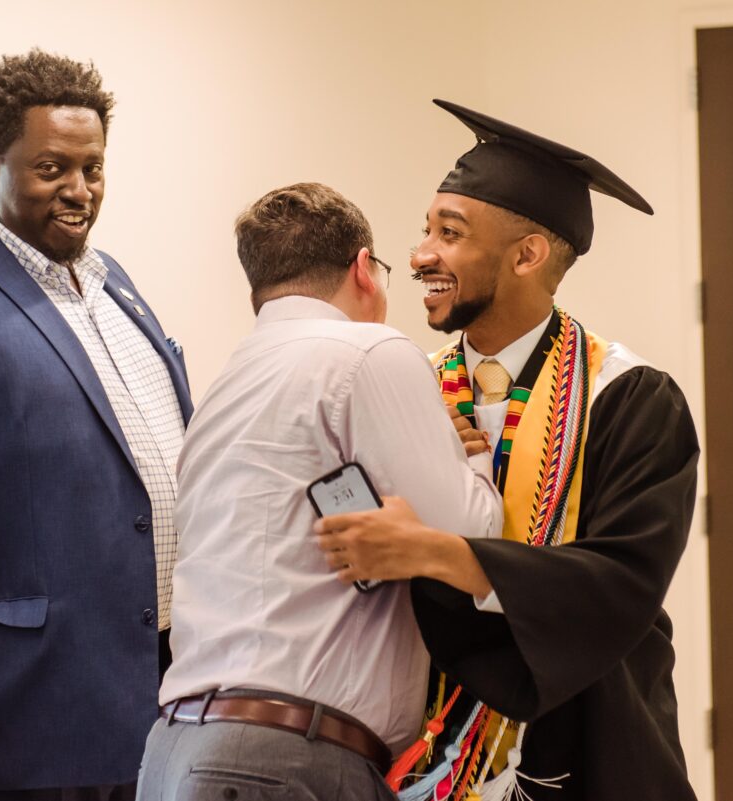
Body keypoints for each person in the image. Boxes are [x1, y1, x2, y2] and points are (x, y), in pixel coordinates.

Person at [313, 100, 701, 801]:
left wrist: (432, 550)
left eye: (449, 233)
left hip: (591, 752)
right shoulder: (404, 391)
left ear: (527, 254)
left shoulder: (630, 398)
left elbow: (618, 584)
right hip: (419, 757)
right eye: (425, 229)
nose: (419, 254)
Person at [0, 51, 192, 800]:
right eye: (52, 168)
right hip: (28, 728)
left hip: (163, 706)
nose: (80, 190)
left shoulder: (118, 283)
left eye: (94, 168)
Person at [136, 183, 502, 801]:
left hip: (176, 751)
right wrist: (476, 453)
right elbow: (471, 535)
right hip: (284, 759)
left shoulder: (227, 385)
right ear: (364, 268)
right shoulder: (370, 350)